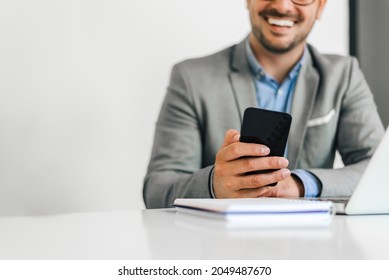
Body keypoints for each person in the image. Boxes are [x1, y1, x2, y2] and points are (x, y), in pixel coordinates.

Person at [143, 0, 384, 208]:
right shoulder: (191, 78)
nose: (282, 5)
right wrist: (214, 185)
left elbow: (380, 172)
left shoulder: (344, 75)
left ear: (320, 6)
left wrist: (299, 184)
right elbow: (157, 188)